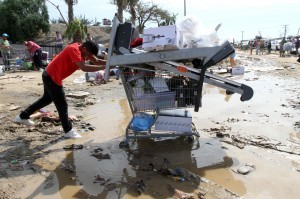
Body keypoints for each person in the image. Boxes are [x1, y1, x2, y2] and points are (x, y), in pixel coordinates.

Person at [13, 41, 108, 138]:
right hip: (52, 77)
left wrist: (113, 63)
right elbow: (84, 67)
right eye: (88, 55)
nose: (89, 57)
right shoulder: (74, 49)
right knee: (62, 105)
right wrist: (105, 67)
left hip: (49, 74)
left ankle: (22, 116)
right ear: (84, 49)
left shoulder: (84, 49)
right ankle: (68, 131)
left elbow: (96, 61)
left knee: (46, 99)